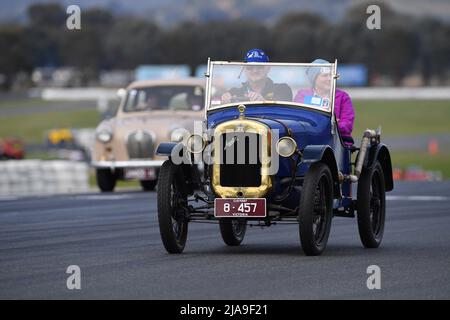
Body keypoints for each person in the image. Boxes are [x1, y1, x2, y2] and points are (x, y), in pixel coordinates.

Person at [294, 58, 355, 144]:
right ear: (314, 78)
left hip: (336, 141)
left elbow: (347, 124)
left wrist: (332, 127)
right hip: (308, 140)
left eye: (331, 75)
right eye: (325, 76)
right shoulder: (302, 95)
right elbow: (297, 119)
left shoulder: (343, 97)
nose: (329, 79)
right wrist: (331, 124)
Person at [221, 48, 292, 103]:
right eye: (250, 67)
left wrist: (263, 102)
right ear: (244, 69)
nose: (255, 71)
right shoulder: (234, 92)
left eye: (259, 66)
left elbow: (285, 114)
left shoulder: (283, 89)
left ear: (268, 68)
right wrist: (224, 101)